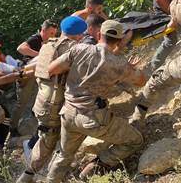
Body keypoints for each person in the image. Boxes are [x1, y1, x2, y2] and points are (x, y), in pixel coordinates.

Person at [45, 20, 146, 182]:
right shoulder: (119, 64)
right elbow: (141, 81)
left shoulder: (79, 49)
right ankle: (91, 172)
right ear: (120, 41)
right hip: (94, 119)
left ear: (99, 35)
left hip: (68, 114)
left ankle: (51, 180)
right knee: (135, 141)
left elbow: (50, 70)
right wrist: (129, 67)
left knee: (64, 155)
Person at [17, 16, 87, 183]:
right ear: (78, 34)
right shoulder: (73, 49)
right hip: (54, 105)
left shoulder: (49, 44)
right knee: (50, 142)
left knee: (49, 140)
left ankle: (33, 174)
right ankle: (32, 176)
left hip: (43, 101)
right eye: (81, 34)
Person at [11, 20, 58, 135]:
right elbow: (20, 48)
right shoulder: (35, 39)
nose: (53, 36)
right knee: (22, 102)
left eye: (54, 33)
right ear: (43, 31)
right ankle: (12, 128)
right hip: (27, 73)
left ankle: (37, 123)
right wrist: (41, 56)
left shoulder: (50, 41)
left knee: (41, 97)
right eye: (51, 33)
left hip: (39, 73)